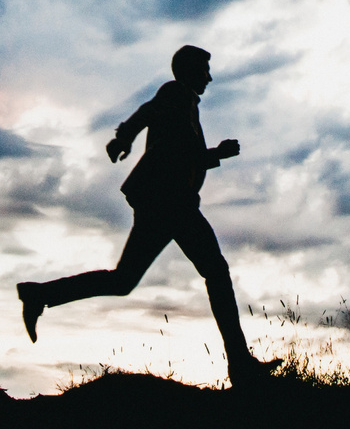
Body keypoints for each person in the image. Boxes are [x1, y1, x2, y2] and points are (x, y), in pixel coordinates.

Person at [17, 45, 270, 386]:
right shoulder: (174, 94)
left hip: (171, 204)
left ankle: (40, 295)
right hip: (169, 204)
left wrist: (214, 154)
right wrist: (123, 138)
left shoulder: (187, 103)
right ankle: (241, 366)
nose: (210, 77)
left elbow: (184, 154)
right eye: (205, 70)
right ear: (189, 70)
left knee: (125, 280)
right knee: (214, 272)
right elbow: (149, 116)